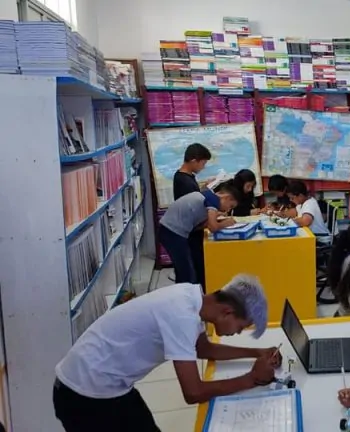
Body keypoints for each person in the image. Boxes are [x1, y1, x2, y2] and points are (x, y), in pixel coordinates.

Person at [53, 275, 282, 432]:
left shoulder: (191, 297)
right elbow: (193, 392)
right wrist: (252, 378)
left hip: (108, 385)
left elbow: (204, 349)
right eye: (241, 327)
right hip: (84, 396)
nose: (238, 332)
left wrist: (257, 352)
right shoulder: (182, 316)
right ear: (227, 312)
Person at [158, 184, 239, 285]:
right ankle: (187, 294)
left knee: (182, 270)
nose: (228, 210)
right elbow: (213, 227)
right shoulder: (214, 199)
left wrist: (212, 220)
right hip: (173, 233)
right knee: (187, 274)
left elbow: (196, 226)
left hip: (169, 230)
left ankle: (183, 291)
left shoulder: (206, 195)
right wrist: (225, 223)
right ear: (227, 197)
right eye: (231, 206)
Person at [172, 143, 213, 285]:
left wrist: (204, 188)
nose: (203, 167)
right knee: (193, 271)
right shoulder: (184, 181)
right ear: (194, 161)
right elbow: (192, 206)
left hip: (192, 230)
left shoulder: (187, 176)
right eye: (203, 163)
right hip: (190, 233)